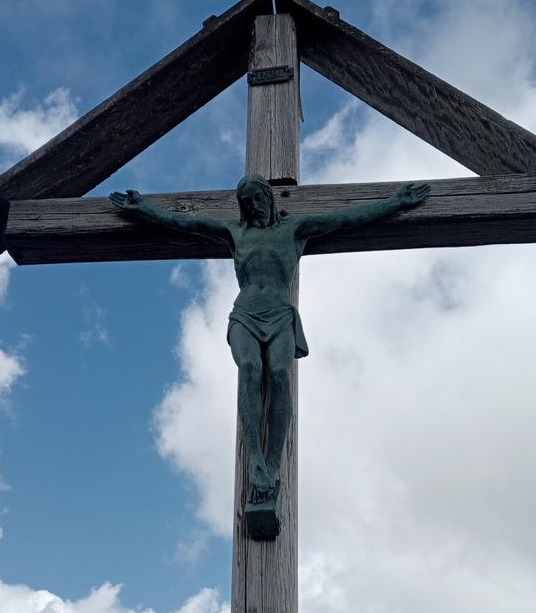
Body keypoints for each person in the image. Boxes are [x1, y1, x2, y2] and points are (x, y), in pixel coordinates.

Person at [110, 176, 429, 509]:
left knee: (278, 373)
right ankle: (255, 460)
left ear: (269, 196)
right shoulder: (235, 232)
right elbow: (187, 223)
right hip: (245, 315)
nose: (253, 206)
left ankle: (273, 463)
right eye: (246, 202)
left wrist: (395, 203)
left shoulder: (295, 230)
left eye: (257, 198)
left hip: (279, 315)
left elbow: (347, 218)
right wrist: (144, 209)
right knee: (249, 367)